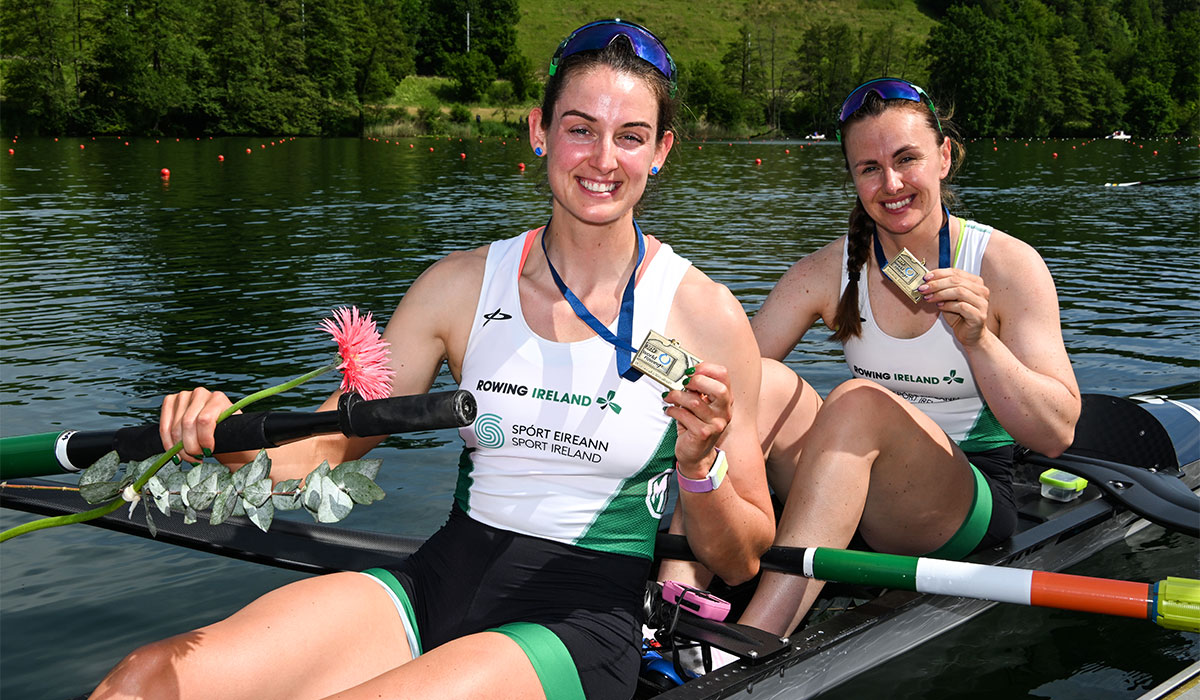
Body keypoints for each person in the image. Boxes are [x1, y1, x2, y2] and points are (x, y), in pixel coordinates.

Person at [91, 20, 775, 700]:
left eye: (630, 136)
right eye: (579, 128)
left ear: (661, 150)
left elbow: (740, 555)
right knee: (147, 680)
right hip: (439, 579)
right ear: (539, 132)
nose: (603, 158)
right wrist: (222, 429)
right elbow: (332, 444)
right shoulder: (456, 287)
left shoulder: (703, 315)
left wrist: (700, 466)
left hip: (579, 622)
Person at [663, 78, 1081, 642]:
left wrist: (980, 341)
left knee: (857, 402)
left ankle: (750, 641)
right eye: (869, 168)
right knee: (753, 383)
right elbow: (726, 390)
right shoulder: (827, 269)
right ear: (854, 179)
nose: (892, 184)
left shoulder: (1006, 265)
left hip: (966, 497)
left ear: (944, 158)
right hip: (858, 491)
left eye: (907, 159)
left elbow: (1056, 434)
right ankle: (675, 593)